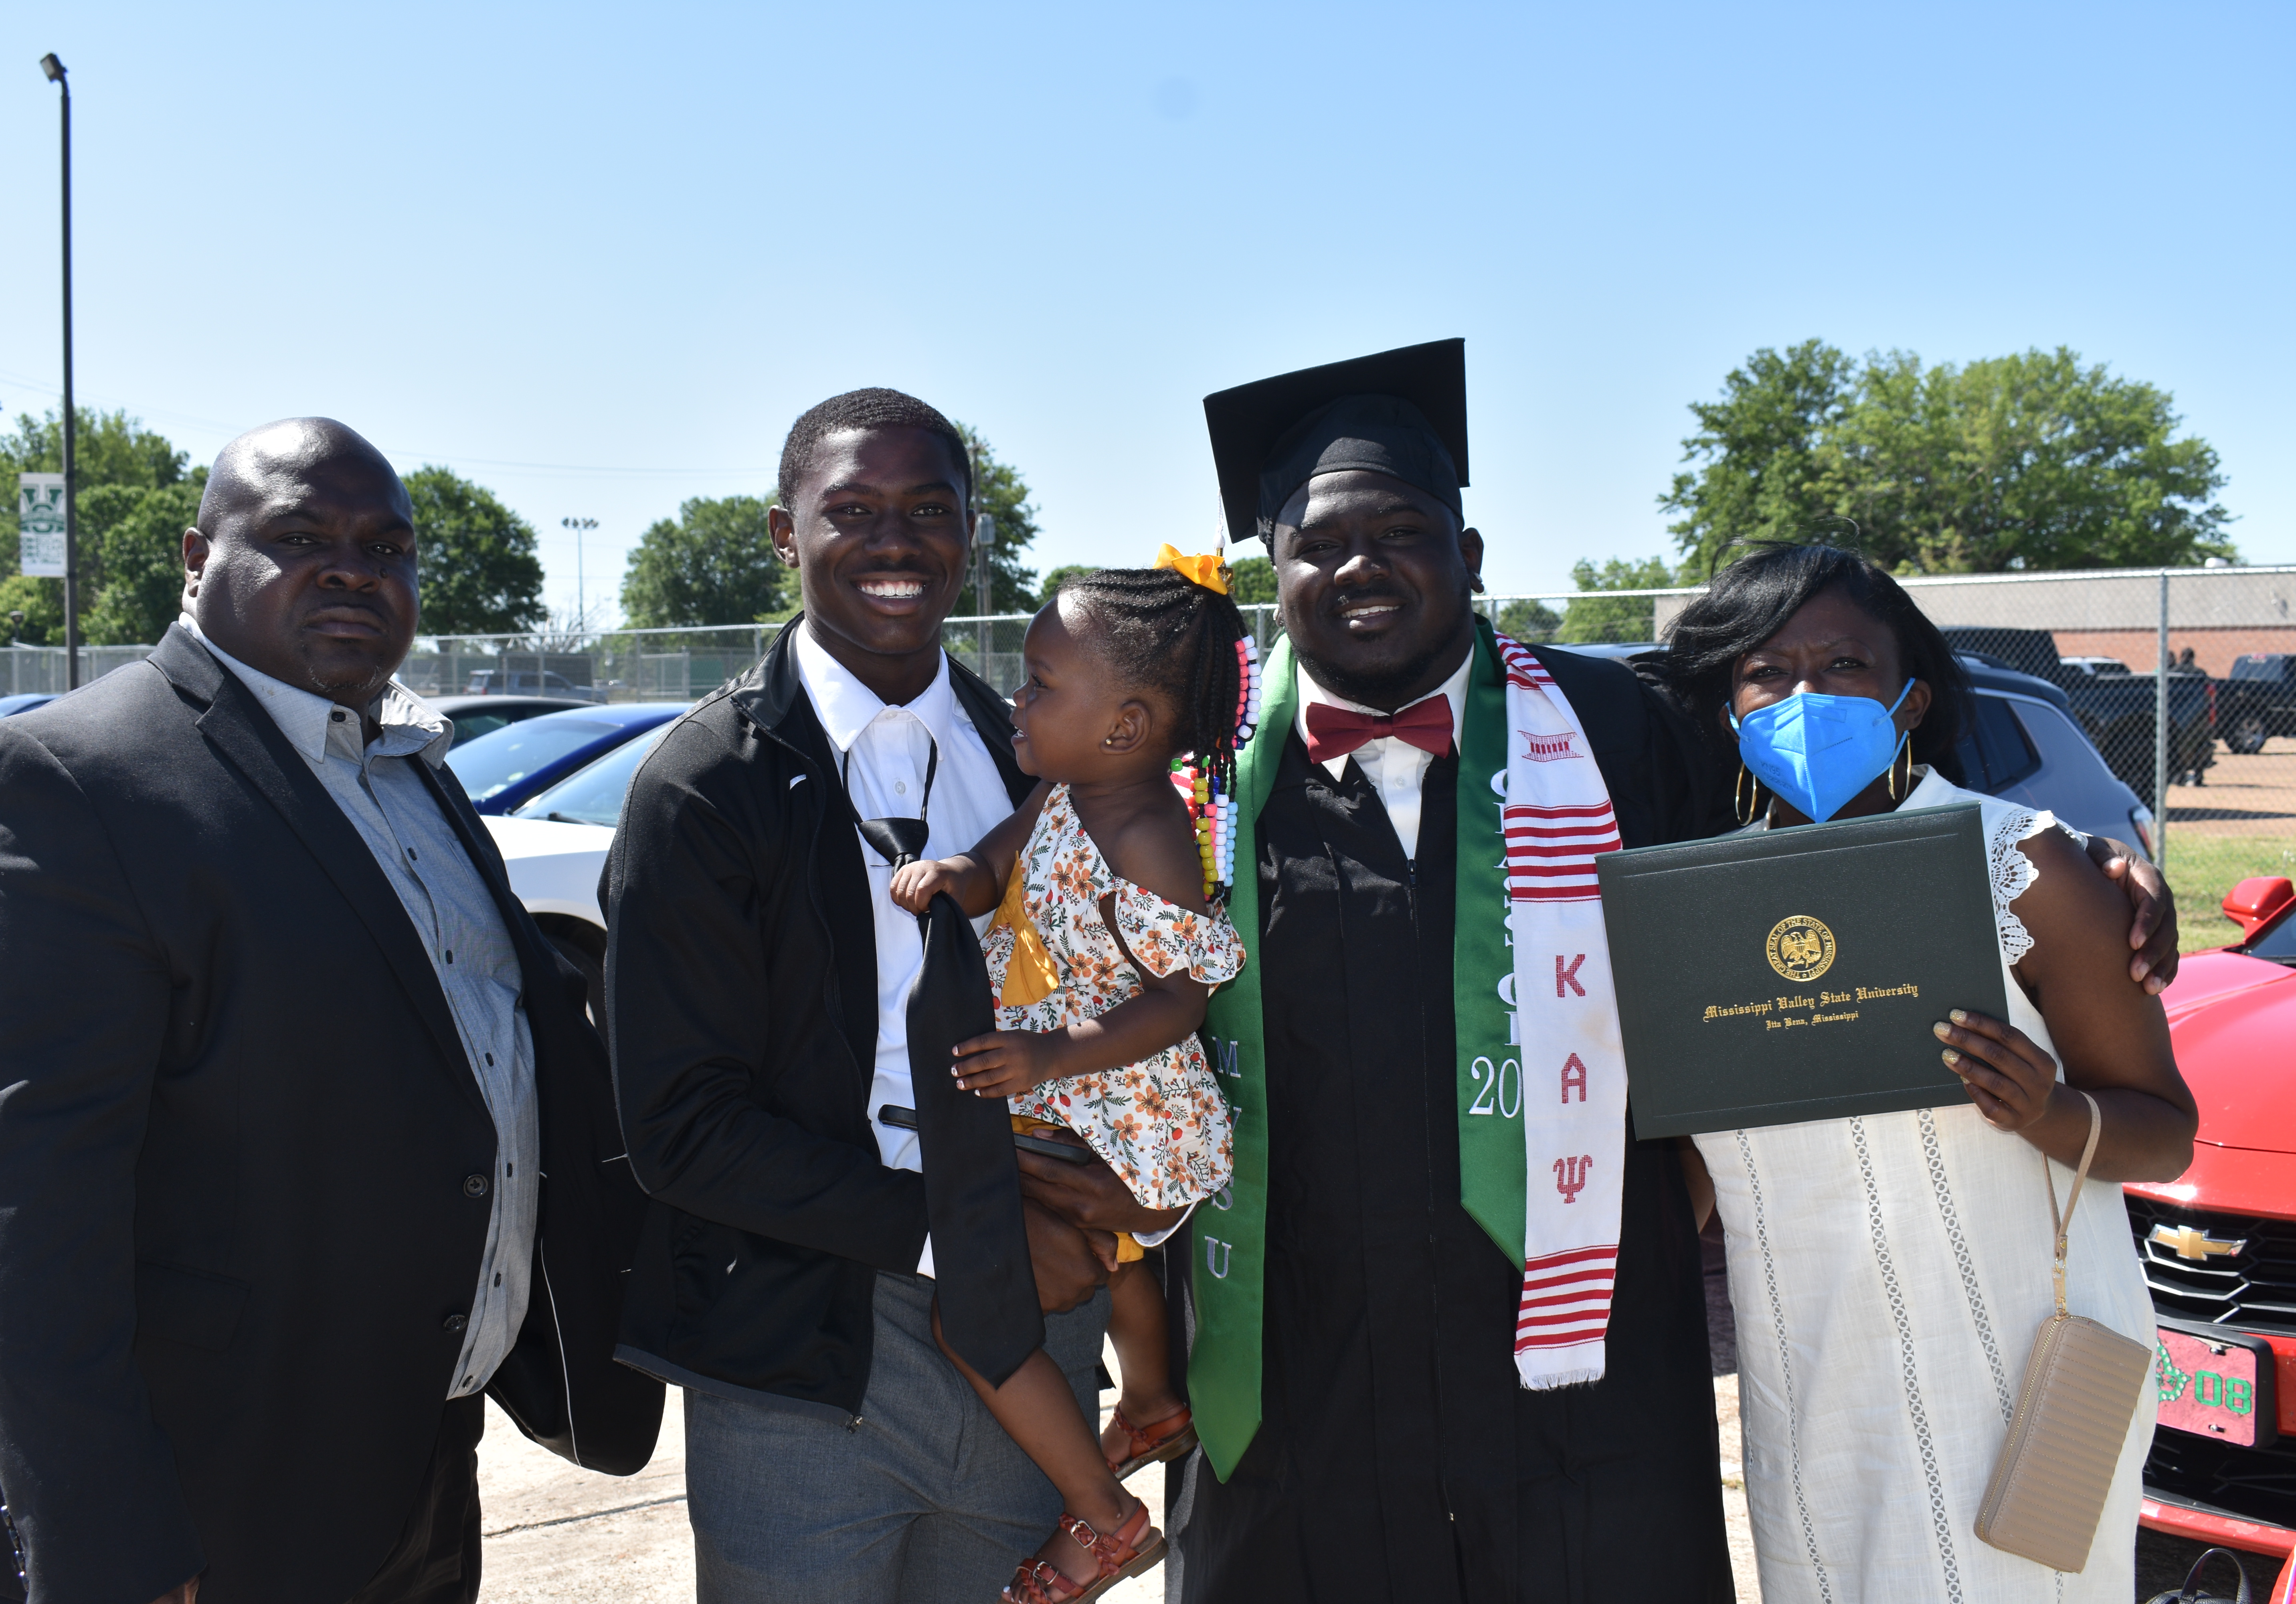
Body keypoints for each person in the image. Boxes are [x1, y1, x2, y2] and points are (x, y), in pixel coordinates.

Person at [1087, 340, 2187, 1604]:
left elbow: (1834, 821)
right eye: (1321, 545)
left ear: (1471, 556)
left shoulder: (1618, 727)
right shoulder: (1190, 774)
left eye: (1404, 530)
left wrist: (2091, 862)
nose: (1362, 568)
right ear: (1269, 575)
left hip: (1581, 1359)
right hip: (1299, 1353)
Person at [0, 417, 662, 1602]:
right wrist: (107, 1548)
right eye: (301, 535)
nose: (356, 567)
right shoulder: (65, 782)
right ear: (197, 558)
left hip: (412, 1459)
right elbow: (24, 1208)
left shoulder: (410, 774)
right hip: (199, 1496)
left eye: (389, 544)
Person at [602, 389, 1157, 1602]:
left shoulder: (1042, 757)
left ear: (972, 531)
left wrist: (1133, 1193)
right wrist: (948, 1236)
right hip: (804, 1342)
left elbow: (1142, 1003)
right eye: (849, 510)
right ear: (782, 534)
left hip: (1035, 1321)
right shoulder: (705, 786)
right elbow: (680, 1127)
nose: (894, 542)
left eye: (928, 509)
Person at [1659, 543, 2194, 1601]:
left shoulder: (2024, 866)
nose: (1804, 697)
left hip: (2015, 1395)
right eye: (1767, 672)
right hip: (1815, 1405)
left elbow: (2165, 1129)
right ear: (1726, 704)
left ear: (1909, 700)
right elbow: (1696, 1185)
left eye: (1844, 666)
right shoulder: (1690, 914)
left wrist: (2050, 1113)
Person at [889, 559, 1252, 1602]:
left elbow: (1180, 1000)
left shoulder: (1146, 838)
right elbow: (1002, 856)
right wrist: (959, 877)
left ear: (1126, 725)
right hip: (1073, 1102)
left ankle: (1103, 1518)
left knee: (977, 1312)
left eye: (1042, 682)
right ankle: (1152, 1401)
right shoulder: (1062, 791)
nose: (1017, 697)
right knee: (1107, 1253)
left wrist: (1053, 1053)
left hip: (1131, 1119)